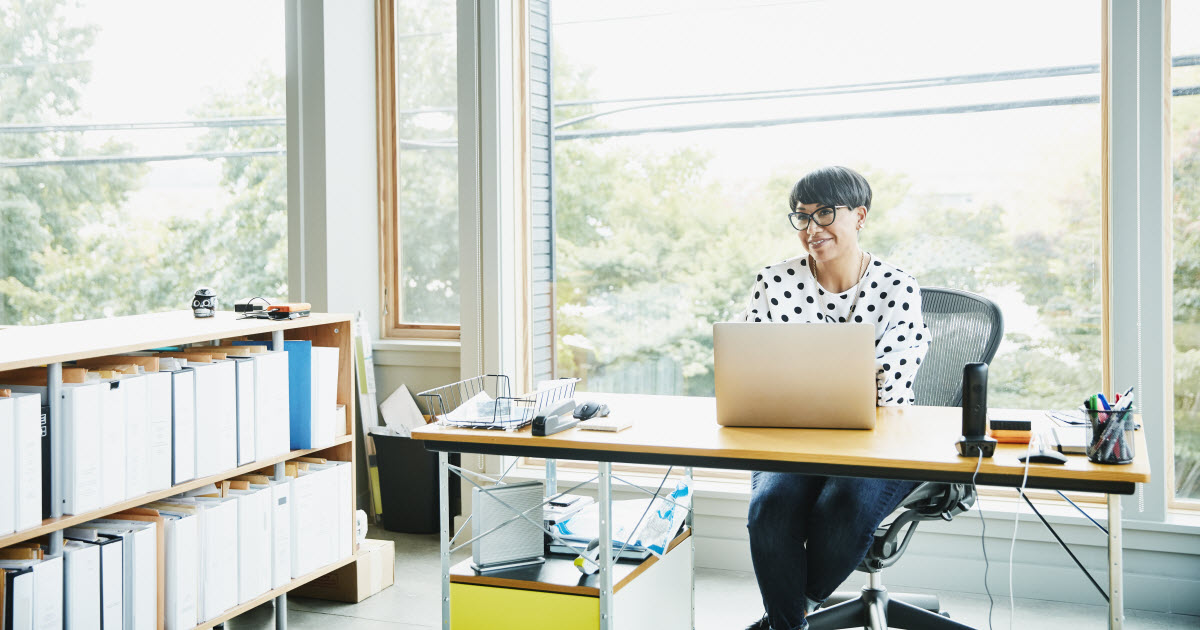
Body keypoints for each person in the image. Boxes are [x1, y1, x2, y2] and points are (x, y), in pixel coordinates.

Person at [738, 166, 930, 630]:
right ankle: (789, 622)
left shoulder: (897, 287)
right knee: (770, 508)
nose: (812, 229)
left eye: (825, 214)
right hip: (794, 436)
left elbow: (891, 390)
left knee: (843, 503)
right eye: (801, 218)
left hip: (877, 441)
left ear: (859, 216)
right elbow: (747, 362)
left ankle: (781, 622)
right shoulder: (774, 282)